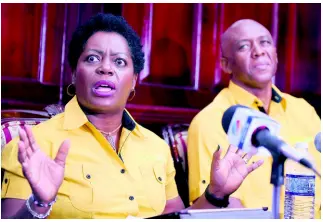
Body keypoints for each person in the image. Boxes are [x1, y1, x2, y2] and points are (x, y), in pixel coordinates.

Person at [1, 14, 264, 219]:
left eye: (119, 62)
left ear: (134, 81)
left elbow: (175, 219)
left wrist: (216, 193)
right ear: (73, 73)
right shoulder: (32, 145)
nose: (105, 68)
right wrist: (39, 203)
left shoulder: (157, 148)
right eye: (92, 58)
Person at [187, 19, 321, 218]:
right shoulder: (211, 121)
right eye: (244, 46)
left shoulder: (303, 110)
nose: (259, 51)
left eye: (265, 42)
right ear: (226, 64)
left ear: (275, 54)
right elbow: (224, 210)